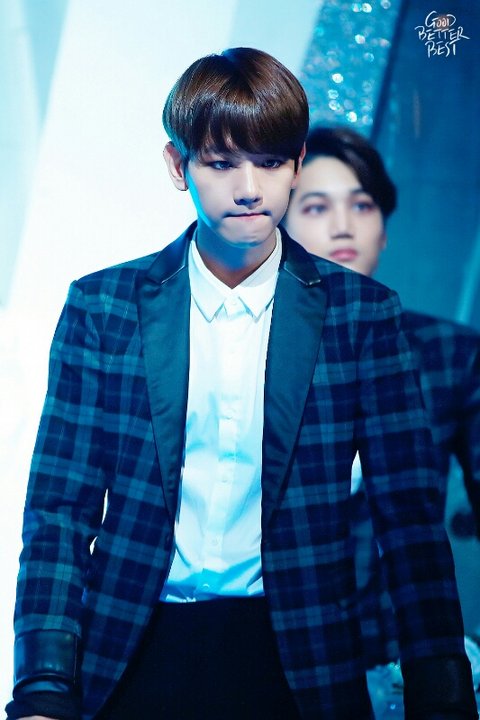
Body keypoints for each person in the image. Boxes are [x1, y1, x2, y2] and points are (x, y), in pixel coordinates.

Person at [6, 49, 478, 720]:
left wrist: (442, 696)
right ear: (179, 166)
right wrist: (43, 687)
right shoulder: (104, 306)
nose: (250, 188)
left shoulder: (361, 314)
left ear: (296, 164)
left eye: (271, 162)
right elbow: (59, 511)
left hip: (299, 659)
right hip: (132, 645)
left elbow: (409, 521)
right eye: (222, 164)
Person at [284, 124, 480, 671]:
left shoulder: (448, 355)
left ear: (384, 230)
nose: (343, 225)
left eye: (362, 205)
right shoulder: (240, 347)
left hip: (392, 654)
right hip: (260, 644)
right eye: (317, 207)